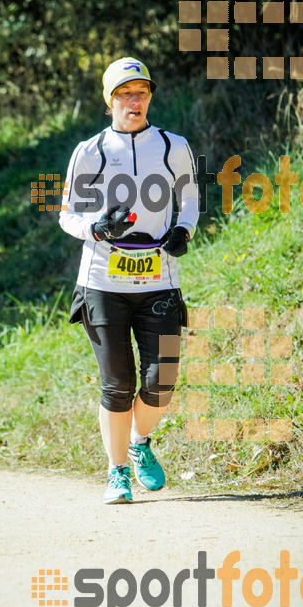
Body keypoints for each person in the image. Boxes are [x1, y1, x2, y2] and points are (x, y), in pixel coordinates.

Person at [59, 56, 199, 504]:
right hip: (102, 281)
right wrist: (96, 227)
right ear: (110, 101)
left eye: (140, 92)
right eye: (124, 94)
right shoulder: (90, 150)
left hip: (159, 277)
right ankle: (117, 471)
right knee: (118, 383)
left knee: (164, 378)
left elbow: (191, 198)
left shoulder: (173, 145)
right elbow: (68, 214)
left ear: (150, 98)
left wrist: (184, 230)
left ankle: (139, 443)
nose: (133, 100)